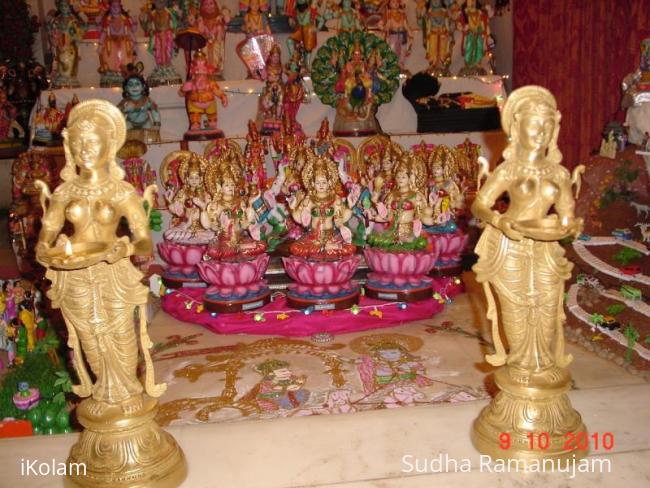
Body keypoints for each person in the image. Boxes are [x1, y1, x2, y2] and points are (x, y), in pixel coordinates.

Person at [35, 100, 164, 415]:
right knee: (89, 334)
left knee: (120, 334)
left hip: (113, 272)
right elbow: (45, 237)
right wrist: (45, 252)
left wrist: (127, 249)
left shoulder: (121, 191)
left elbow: (145, 240)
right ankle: (104, 394)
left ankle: (129, 392)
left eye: (92, 142)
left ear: (109, 144)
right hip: (74, 276)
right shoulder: (64, 193)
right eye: (78, 143)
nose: (84, 149)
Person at [471, 86, 583, 371]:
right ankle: (520, 367)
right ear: (517, 128)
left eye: (547, 126)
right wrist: (499, 220)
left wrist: (571, 226)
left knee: (546, 308)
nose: (540, 133)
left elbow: (567, 214)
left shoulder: (558, 173)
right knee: (517, 308)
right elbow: (480, 205)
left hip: (545, 247)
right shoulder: (509, 169)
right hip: (509, 245)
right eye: (534, 125)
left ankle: (541, 369)